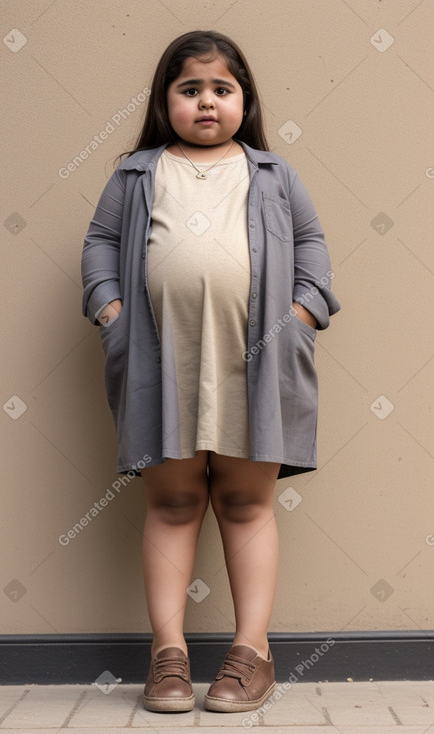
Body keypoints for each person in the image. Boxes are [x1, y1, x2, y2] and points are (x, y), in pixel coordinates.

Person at [81, 29, 340, 714]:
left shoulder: (273, 174)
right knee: (171, 502)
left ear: (243, 100)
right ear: (165, 100)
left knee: (246, 501)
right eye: (189, 88)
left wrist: (303, 316)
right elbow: (101, 243)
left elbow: (311, 243)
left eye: (220, 89)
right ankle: (168, 655)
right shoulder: (135, 172)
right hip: (158, 363)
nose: (205, 102)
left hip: (255, 363)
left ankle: (249, 652)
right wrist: (110, 313)